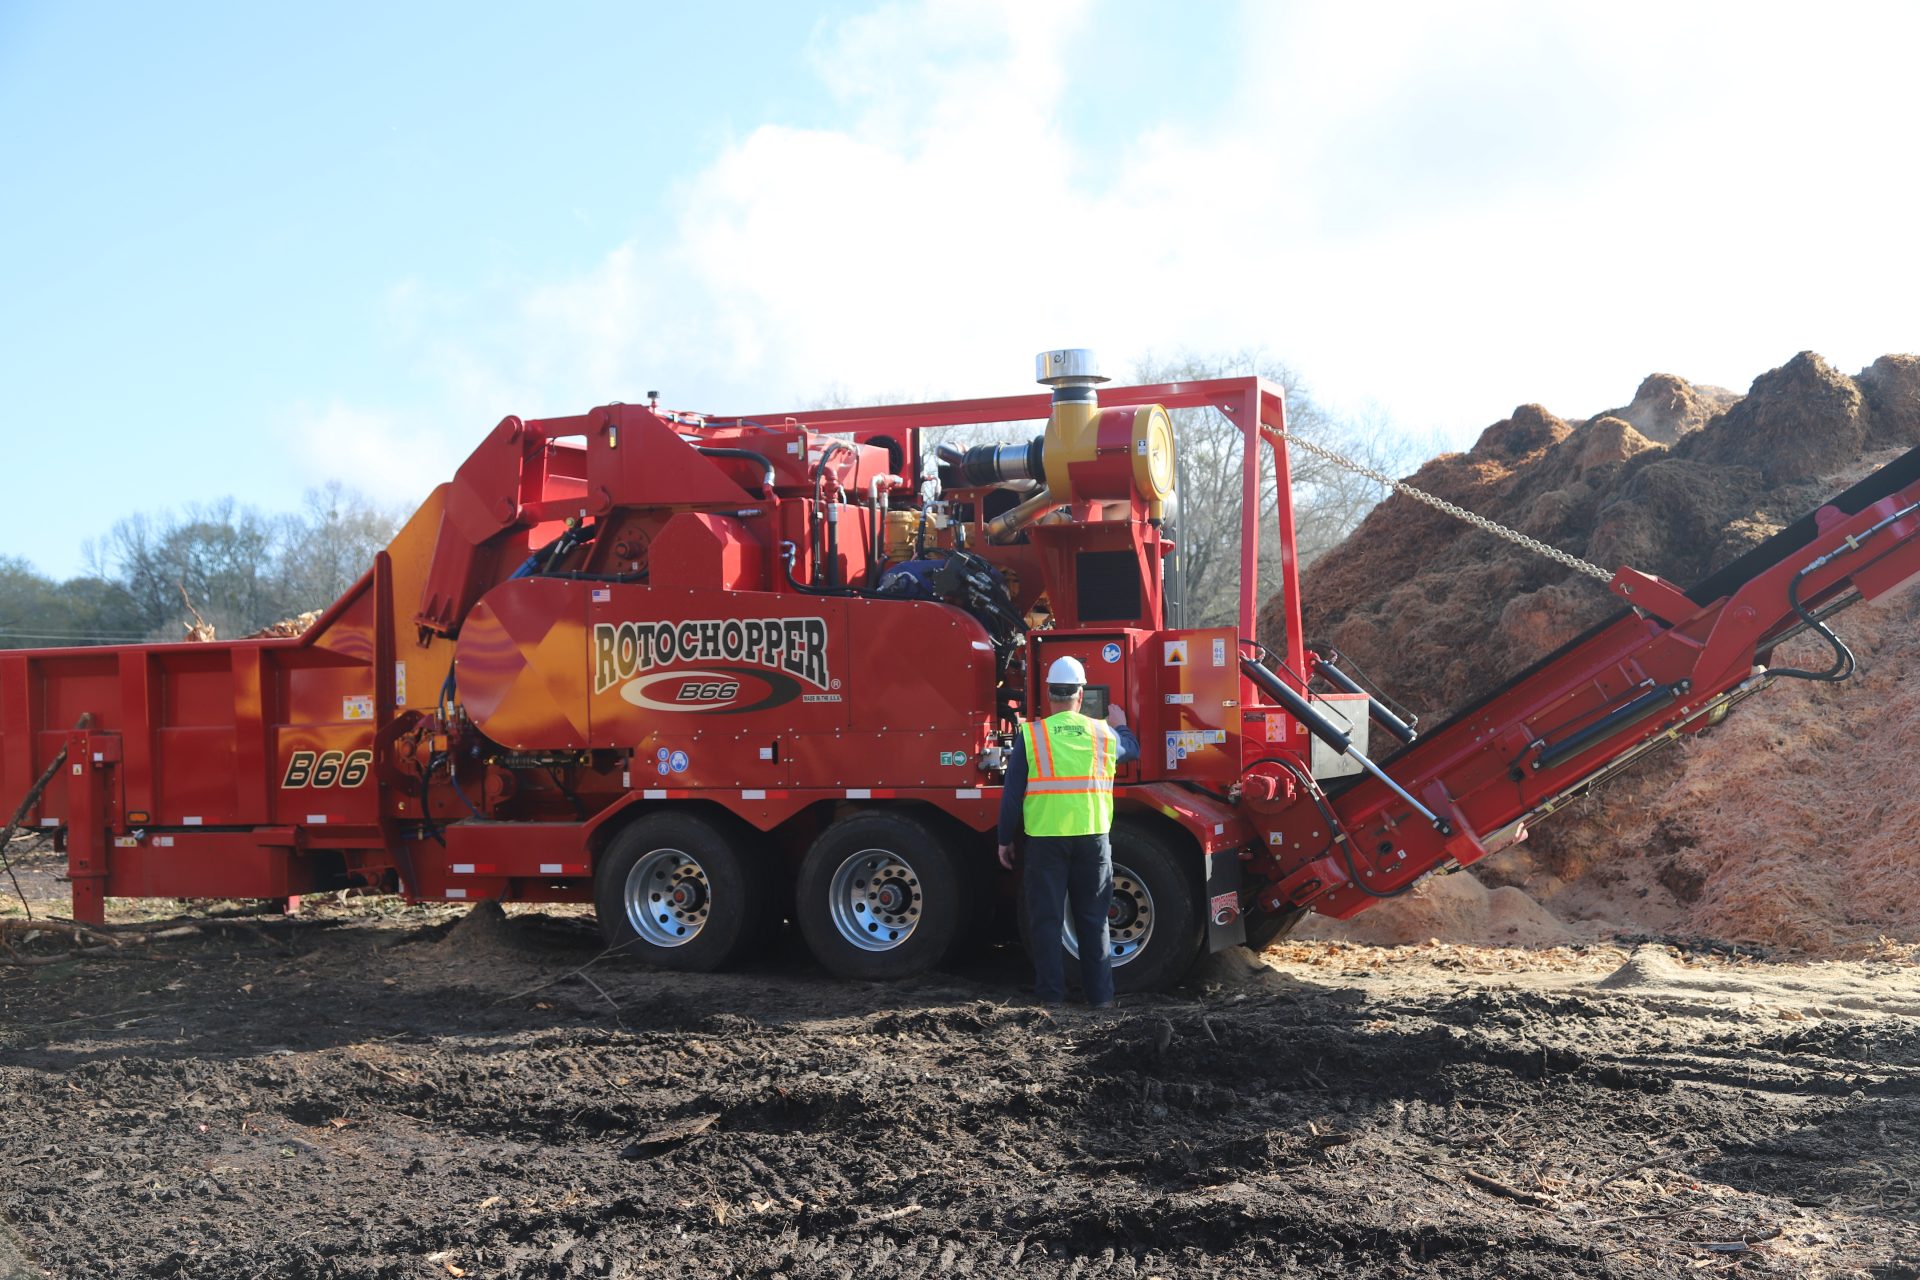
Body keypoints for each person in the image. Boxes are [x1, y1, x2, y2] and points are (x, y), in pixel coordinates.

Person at [997, 655, 1139, 1008]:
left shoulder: (1032, 736)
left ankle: (1051, 999)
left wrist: (1003, 840)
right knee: (1093, 921)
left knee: (1046, 921)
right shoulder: (1102, 734)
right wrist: (1120, 724)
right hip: (1092, 841)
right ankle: (1101, 1000)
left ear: (1048, 696)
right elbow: (1132, 750)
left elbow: (1012, 795)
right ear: (1080, 695)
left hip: (1046, 842)